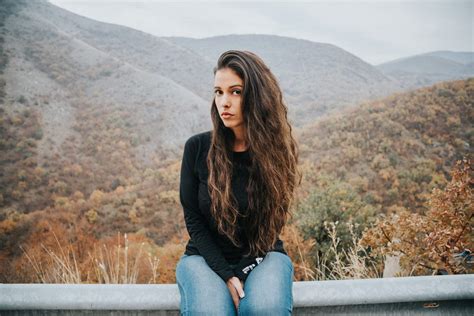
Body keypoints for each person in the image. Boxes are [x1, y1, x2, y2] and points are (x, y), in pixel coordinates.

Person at [175, 50, 302, 315]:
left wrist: (243, 272)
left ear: (256, 97)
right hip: (203, 258)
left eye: (235, 92)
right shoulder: (197, 148)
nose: (224, 102)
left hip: (263, 255)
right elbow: (194, 219)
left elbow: (271, 224)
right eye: (218, 92)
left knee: (264, 308)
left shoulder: (275, 152)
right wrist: (226, 274)